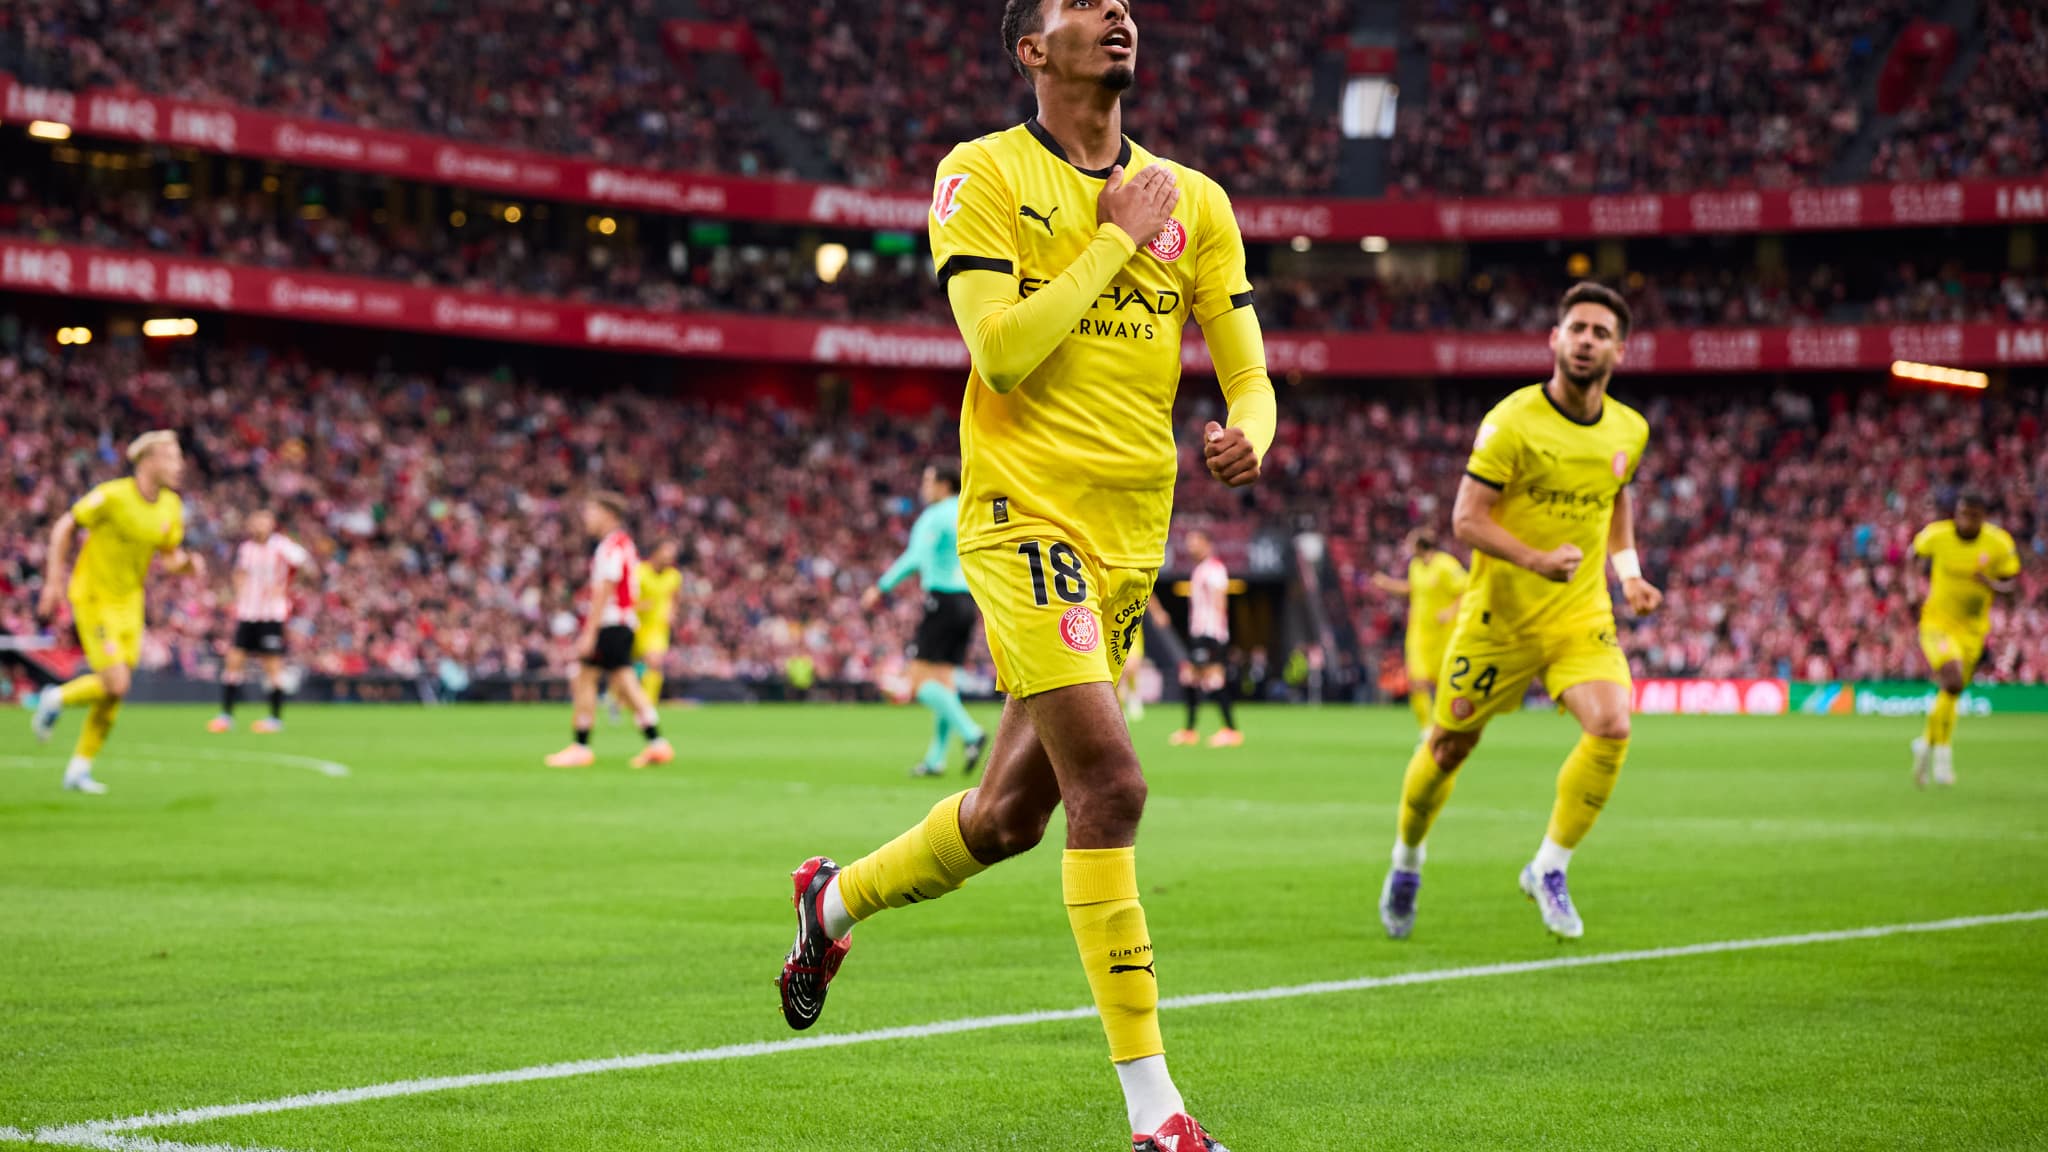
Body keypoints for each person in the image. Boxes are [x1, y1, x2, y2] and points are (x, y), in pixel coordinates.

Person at [777, 1, 1275, 1146]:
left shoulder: (1194, 200)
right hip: (1020, 519)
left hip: (1128, 541)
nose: (1117, 12)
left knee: (1007, 817)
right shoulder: (982, 172)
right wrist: (1112, 238)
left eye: (1122, 1)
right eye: (1084, 0)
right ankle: (1155, 1114)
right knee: (1114, 787)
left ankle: (829, 901)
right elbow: (997, 351)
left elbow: (1246, 372)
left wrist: (1251, 433)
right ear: (1030, 49)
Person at [1376, 283, 1661, 944]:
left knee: (1612, 724)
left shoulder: (1630, 429)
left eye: (1600, 332)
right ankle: (1407, 859)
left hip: (1578, 617)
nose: (1586, 340)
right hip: (1498, 621)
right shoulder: (1512, 421)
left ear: (1619, 350)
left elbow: (1616, 496)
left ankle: (1549, 867)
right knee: (1448, 747)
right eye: (1577, 328)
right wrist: (1535, 560)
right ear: (1555, 340)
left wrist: (1629, 574)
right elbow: (1466, 519)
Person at [27, 431, 206, 793]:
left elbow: (170, 556)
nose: (179, 465)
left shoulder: (171, 505)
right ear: (148, 461)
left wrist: (188, 564)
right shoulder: (112, 496)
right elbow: (65, 526)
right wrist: (52, 583)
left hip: (130, 603)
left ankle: (79, 769)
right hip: (94, 596)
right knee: (116, 682)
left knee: (115, 692)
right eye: (172, 458)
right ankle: (55, 698)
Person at [862, 463, 989, 777]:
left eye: (929, 480)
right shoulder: (969, 510)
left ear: (944, 485)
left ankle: (971, 732)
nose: (924, 486)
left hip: (942, 600)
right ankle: (935, 760)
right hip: (967, 601)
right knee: (944, 683)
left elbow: (915, 558)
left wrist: (881, 587)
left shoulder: (934, 516)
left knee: (917, 682)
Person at [544, 493, 674, 770]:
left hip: (610, 623)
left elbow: (605, 588)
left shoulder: (611, 546)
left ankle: (581, 746)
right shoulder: (625, 545)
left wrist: (590, 631)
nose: (586, 518)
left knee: (585, 678)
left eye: (591, 511)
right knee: (625, 682)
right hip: (622, 623)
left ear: (608, 514)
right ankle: (657, 743)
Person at [1909, 493, 2021, 787]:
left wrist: (1991, 584)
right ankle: (1943, 755)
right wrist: (1912, 590)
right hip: (1937, 624)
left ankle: (1926, 744)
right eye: (1963, 514)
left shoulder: (1998, 543)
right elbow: (1913, 555)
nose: (1967, 520)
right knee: (1953, 679)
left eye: (1974, 515)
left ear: (1983, 517)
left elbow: (2012, 584)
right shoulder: (1937, 535)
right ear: (1956, 513)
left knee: (1951, 693)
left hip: (1973, 629)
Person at [211, 509, 316, 734]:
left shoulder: (281, 545)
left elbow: (306, 564)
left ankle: (274, 719)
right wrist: (238, 592)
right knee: (233, 661)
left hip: (271, 614)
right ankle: (226, 716)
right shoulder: (246, 549)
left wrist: (289, 587)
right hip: (247, 613)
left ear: (271, 524)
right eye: (256, 521)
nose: (259, 525)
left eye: (264, 521)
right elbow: (239, 573)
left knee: (272, 665)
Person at [1371, 528, 1469, 730]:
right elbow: (1412, 588)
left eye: (1410, 543)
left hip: (1443, 635)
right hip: (1418, 634)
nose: (1407, 547)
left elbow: (1466, 590)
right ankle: (1426, 729)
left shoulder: (1446, 565)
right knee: (1417, 681)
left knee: (1445, 685)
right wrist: (1387, 584)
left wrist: (1450, 611)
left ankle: (1447, 725)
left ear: (1420, 545)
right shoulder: (1415, 566)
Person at [1169, 529, 1239, 747]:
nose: (1189, 546)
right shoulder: (1200, 570)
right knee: (1189, 678)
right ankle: (1190, 730)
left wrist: (1217, 635)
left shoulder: (1215, 569)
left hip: (1211, 634)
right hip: (1199, 633)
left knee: (1214, 679)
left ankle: (1231, 730)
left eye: (1194, 542)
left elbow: (1220, 601)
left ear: (1207, 544)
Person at [634, 540, 684, 706]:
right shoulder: (639, 571)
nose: (670, 557)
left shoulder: (674, 576)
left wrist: (673, 613)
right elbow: (625, 597)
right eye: (666, 552)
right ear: (655, 553)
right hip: (635, 624)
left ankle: (648, 705)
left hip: (657, 628)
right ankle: (618, 701)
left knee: (654, 663)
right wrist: (639, 605)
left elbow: (676, 598)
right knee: (624, 667)